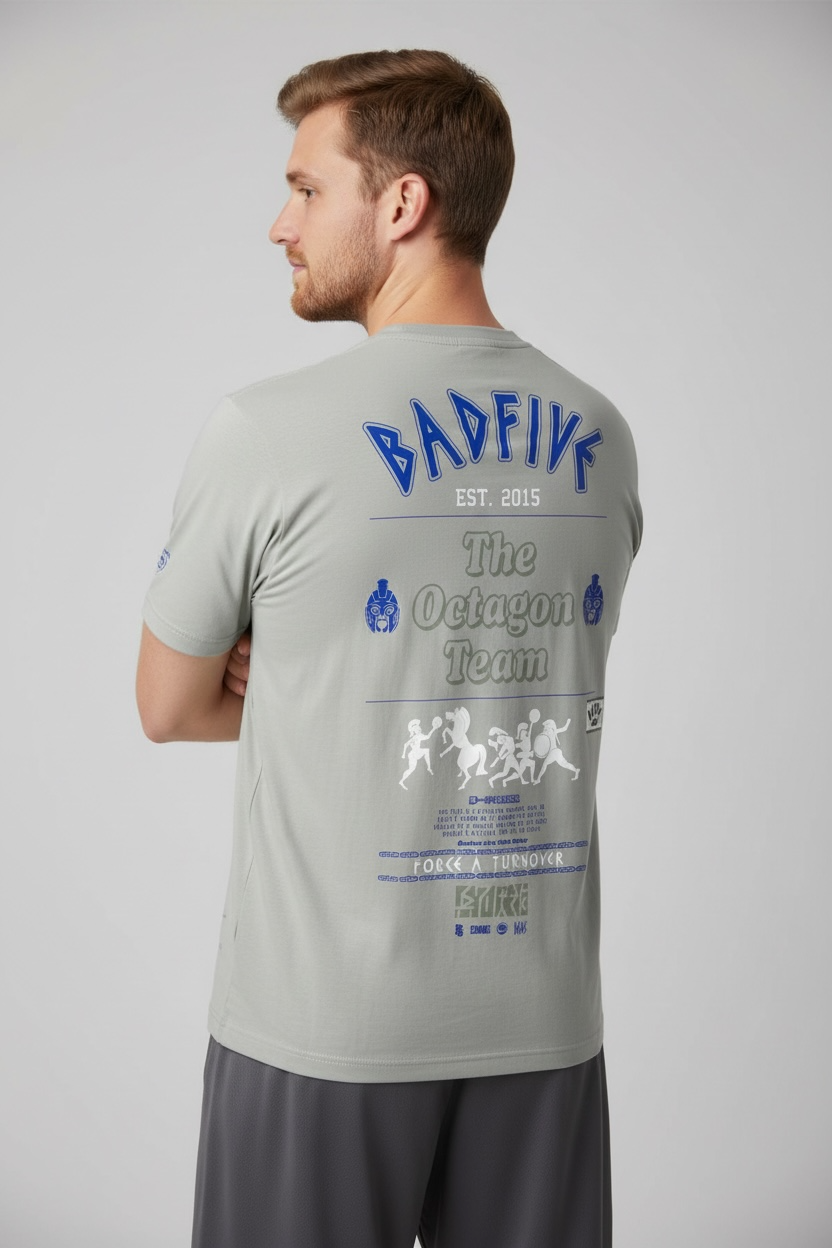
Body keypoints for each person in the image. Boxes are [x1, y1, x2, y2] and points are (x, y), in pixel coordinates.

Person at [136, 48, 642, 1248]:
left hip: (324, 1030)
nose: (281, 224)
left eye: (307, 189)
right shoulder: (601, 434)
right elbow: (516, 672)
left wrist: (291, 671)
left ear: (402, 202)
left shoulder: (264, 432)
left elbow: (168, 703)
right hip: (542, 1027)